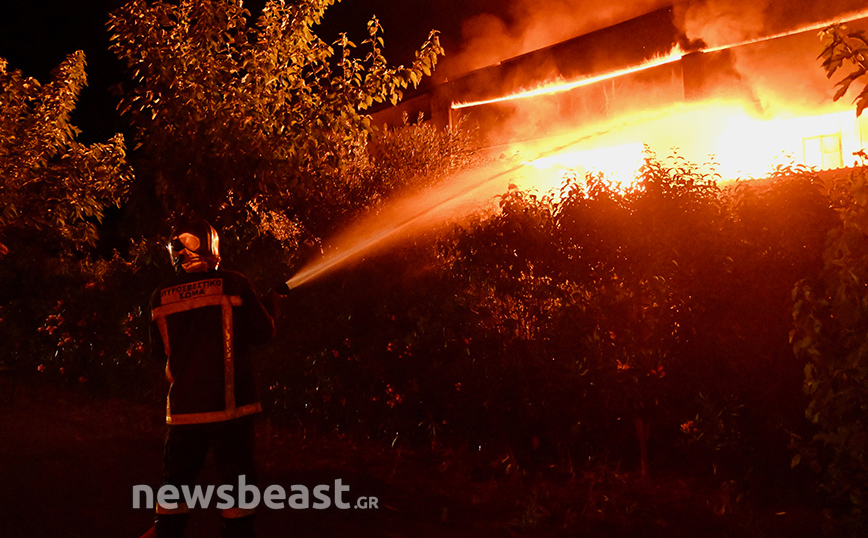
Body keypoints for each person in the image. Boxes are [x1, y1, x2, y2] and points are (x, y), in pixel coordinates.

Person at [149, 219, 276, 538]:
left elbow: (159, 353)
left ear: (178, 251)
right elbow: (262, 332)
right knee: (238, 491)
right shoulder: (234, 284)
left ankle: (167, 532)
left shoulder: (159, 297)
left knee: (175, 489)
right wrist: (269, 306)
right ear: (211, 246)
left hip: (183, 411)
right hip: (232, 411)